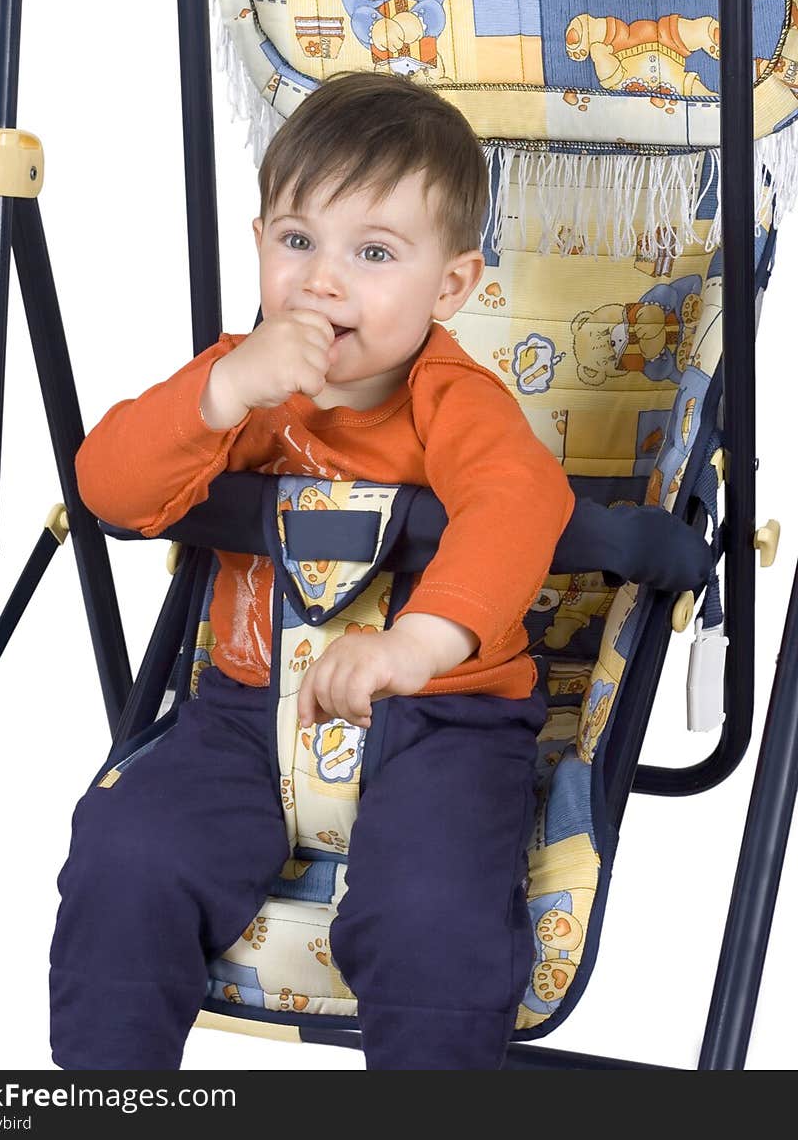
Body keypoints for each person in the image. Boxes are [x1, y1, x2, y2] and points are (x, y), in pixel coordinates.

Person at [48, 71, 575, 1070]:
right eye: (298, 241)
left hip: (440, 725)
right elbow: (108, 490)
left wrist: (417, 641)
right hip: (243, 716)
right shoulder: (244, 385)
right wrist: (218, 391)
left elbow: (518, 506)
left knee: (428, 911)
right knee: (125, 854)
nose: (323, 280)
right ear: (259, 247)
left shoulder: (452, 402)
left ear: (451, 285)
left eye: (373, 253)